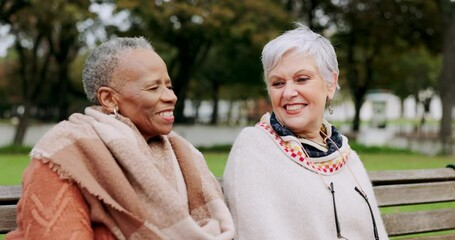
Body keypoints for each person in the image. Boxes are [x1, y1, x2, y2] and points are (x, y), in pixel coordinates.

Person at [6, 37, 234, 240]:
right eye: (153, 87)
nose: (171, 97)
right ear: (109, 99)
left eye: (169, 86)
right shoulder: (66, 153)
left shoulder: (183, 152)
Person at [222, 24, 388, 240]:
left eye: (302, 79)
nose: (289, 92)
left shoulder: (346, 157)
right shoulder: (254, 148)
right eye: (278, 83)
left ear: (331, 83)